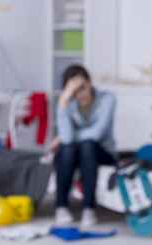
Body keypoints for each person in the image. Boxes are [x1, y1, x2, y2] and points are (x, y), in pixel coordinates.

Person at [51, 64, 116, 227]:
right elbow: (67, 139)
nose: (80, 94)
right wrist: (63, 101)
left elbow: (97, 133)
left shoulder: (107, 99)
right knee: (67, 148)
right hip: (74, 154)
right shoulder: (68, 103)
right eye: (74, 91)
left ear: (89, 83)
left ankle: (89, 208)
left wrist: (67, 137)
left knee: (87, 145)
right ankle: (61, 207)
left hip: (102, 153)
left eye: (82, 87)